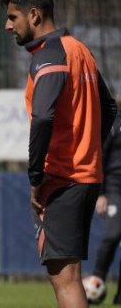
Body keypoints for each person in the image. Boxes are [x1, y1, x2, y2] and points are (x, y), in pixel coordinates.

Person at [2, 0, 117, 308]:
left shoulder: (48, 56)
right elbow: (109, 110)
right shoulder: (79, 49)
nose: (8, 25)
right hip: (85, 177)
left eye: (13, 17)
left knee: (65, 279)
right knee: (66, 275)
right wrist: (89, 150)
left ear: (34, 15)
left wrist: (36, 177)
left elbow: (42, 119)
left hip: (62, 180)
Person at [90, 111, 121, 304]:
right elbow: (100, 155)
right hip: (115, 188)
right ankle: (96, 282)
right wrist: (100, 193)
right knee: (112, 235)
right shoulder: (115, 123)